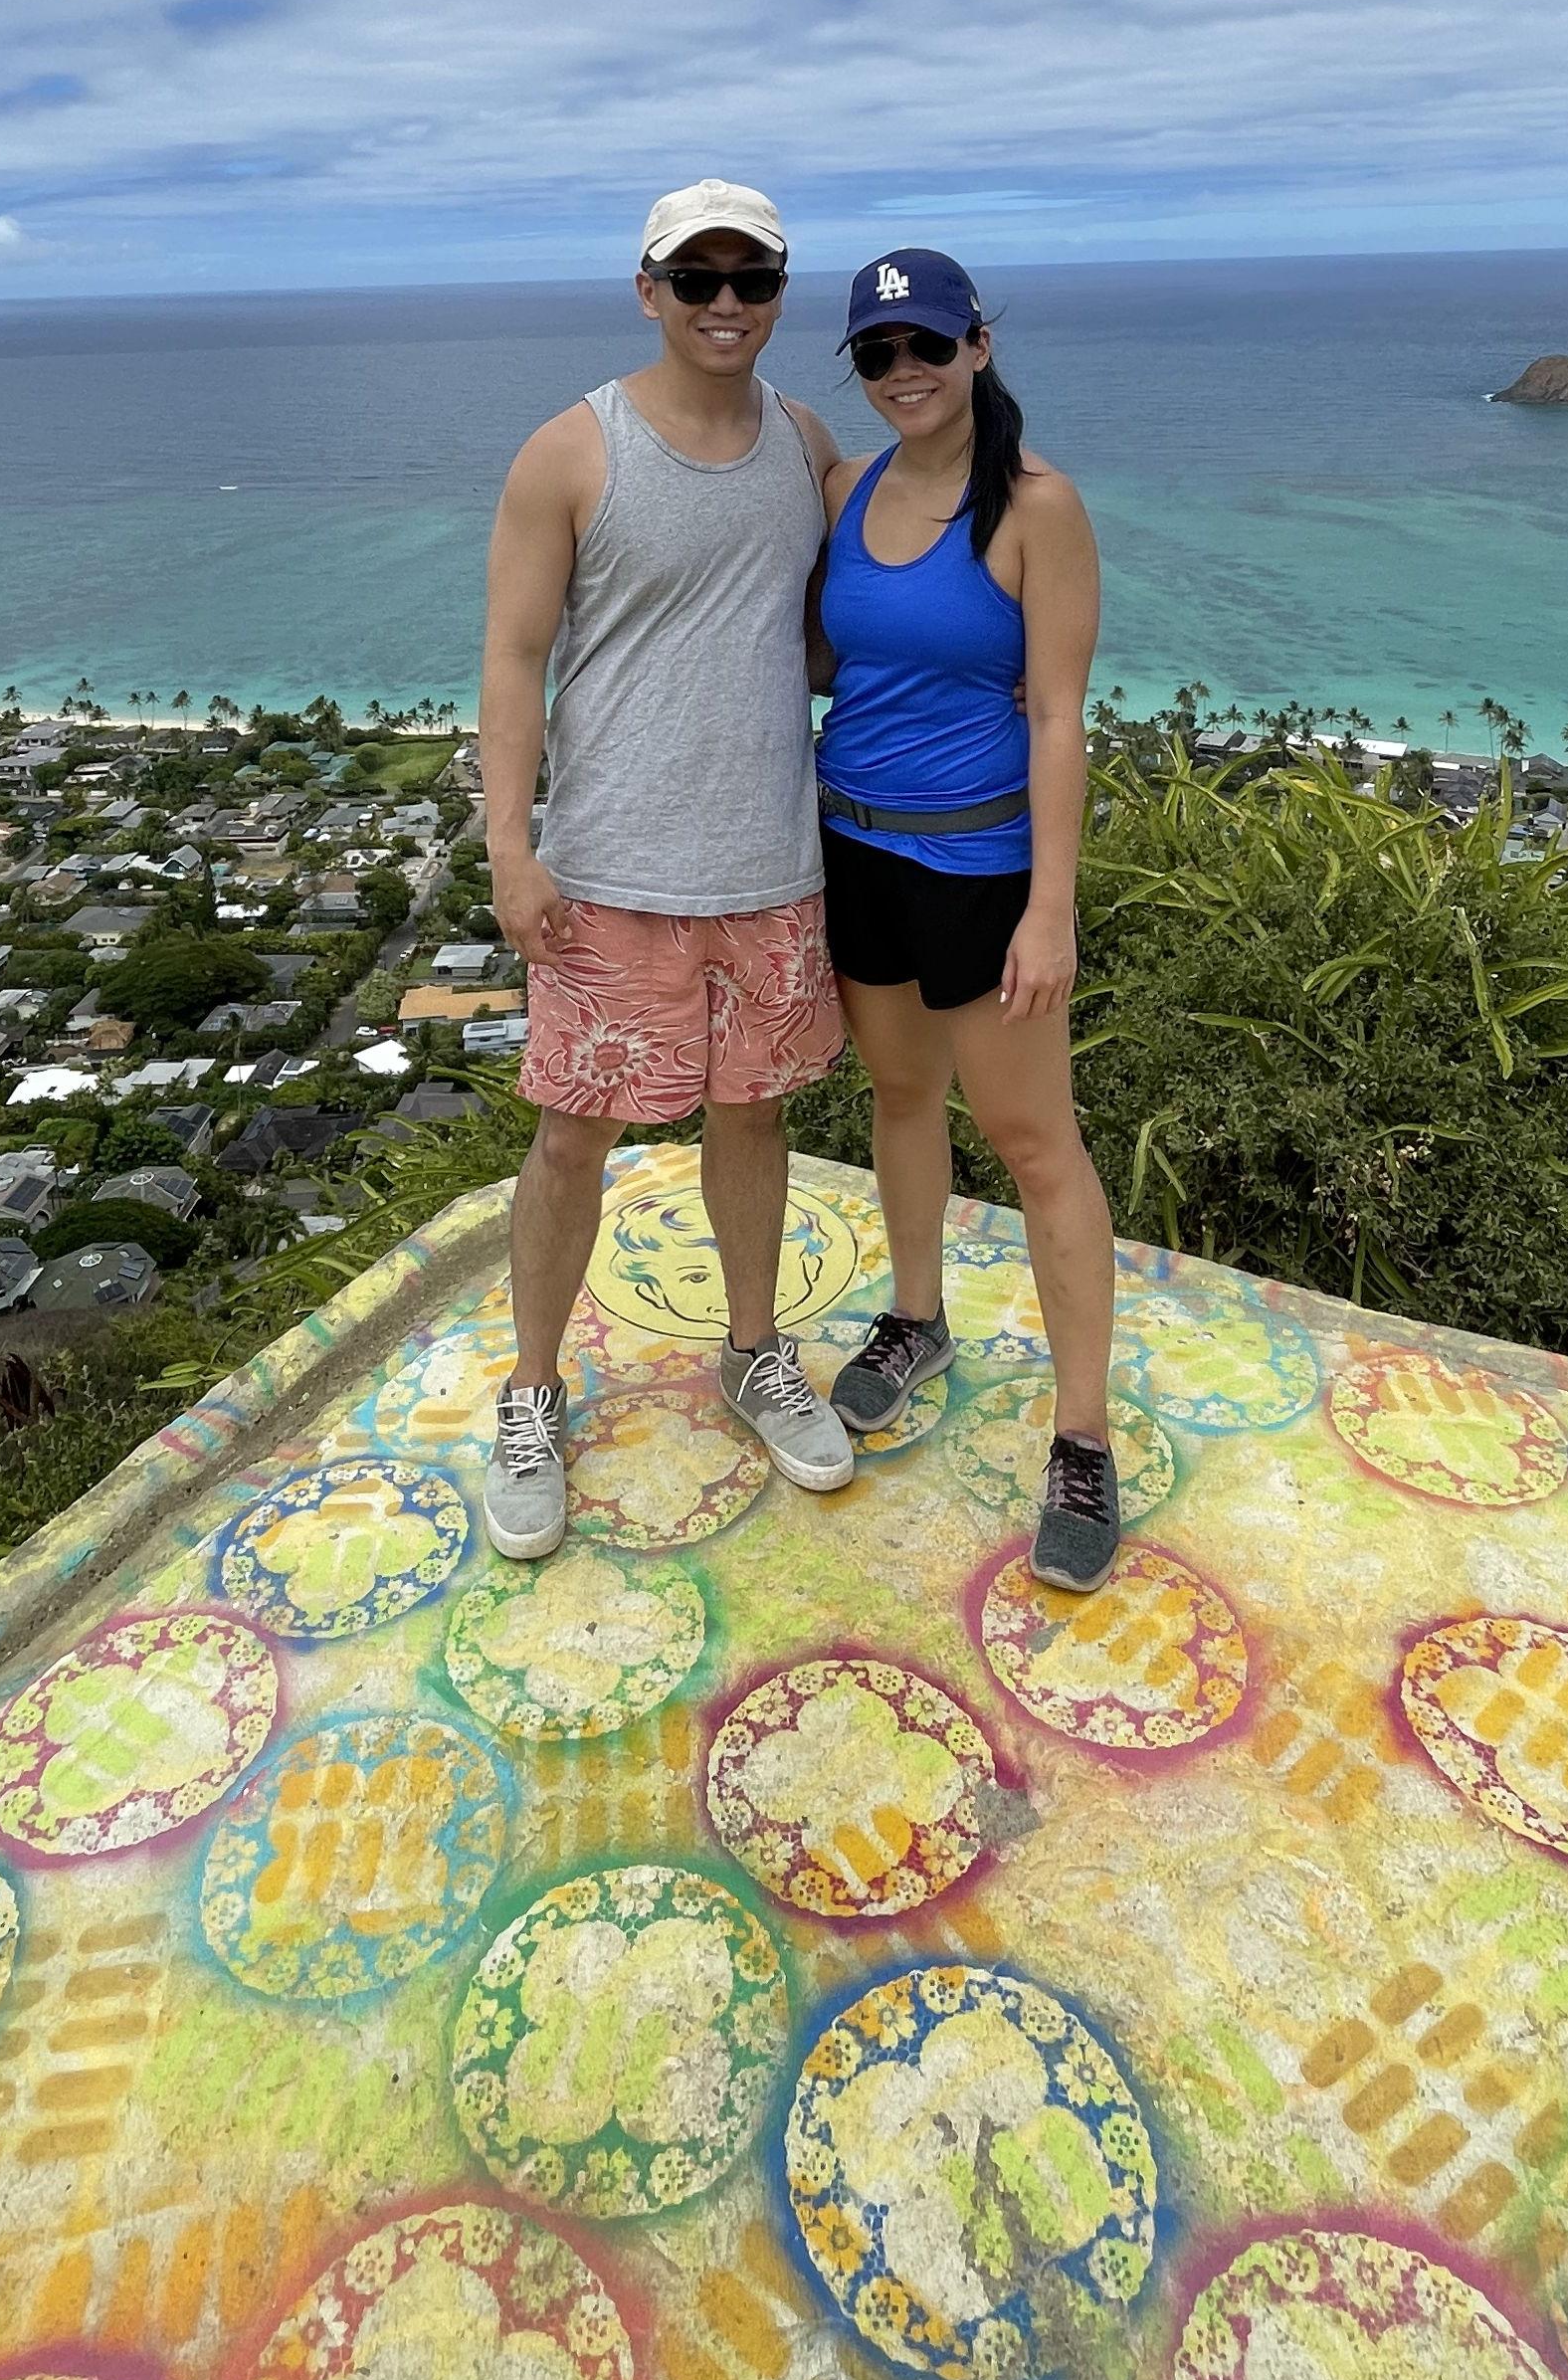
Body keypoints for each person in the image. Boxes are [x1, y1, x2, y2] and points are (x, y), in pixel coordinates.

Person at [477, 182, 862, 1556]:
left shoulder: (806, 444)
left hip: (770, 864)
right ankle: (532, 1393)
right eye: (695, 279)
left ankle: (754, 1353)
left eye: (750, 279)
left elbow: (829, 626)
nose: (724, 303)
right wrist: (510, 845)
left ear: (779, 295)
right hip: (611, 871)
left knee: (754, 1120)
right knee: (572, 1133)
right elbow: (514, 656)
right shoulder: (571, 452)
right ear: (648, 291)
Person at [808, 250, 1122, 1586]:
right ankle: (917, 1317)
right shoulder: (848, 488)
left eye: (927, 346)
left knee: (1035, 1142)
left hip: (981, 870)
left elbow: (1057, 716)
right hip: (853, 847)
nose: (904, 373)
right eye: (877, 354)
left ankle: (1083, 1437)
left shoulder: (1036, 507)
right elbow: (828, 659)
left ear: (977, 347)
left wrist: (1050, 909)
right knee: (899, 1097)